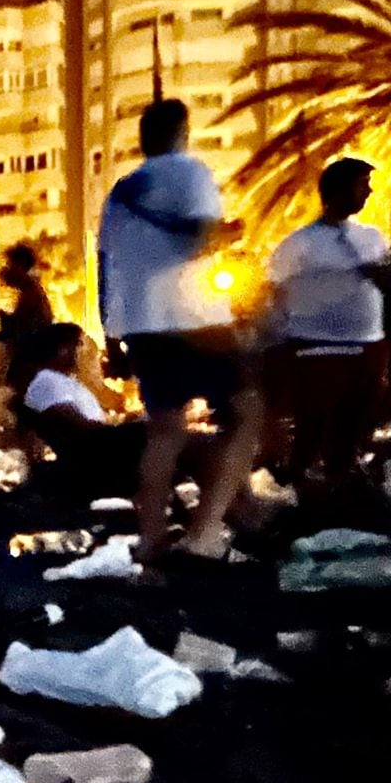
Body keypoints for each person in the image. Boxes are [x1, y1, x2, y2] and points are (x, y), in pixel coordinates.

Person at [98, 98, 257, 562]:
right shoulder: (191, 174)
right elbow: (201, 238)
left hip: (144, 327)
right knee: (248, 412)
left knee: (165, 433)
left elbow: (106, 265)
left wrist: (113, 335)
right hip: (197, 319)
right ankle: (204, 530)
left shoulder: (121, 193)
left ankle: (150, 545)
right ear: (182, 132)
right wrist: (231, 233)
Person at [265, 156, 389, 494]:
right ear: (339, 190)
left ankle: (344, 484)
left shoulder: (373, 238)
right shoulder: (299, 244)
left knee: (356, 421)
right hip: (316, 346)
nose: (368, 192)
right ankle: (302, 487)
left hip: (367, 346)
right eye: (362, 185)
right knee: (314, 423)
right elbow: (273, 291)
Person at [19, 323, 150, 495]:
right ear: (62, 349)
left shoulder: (68, 382)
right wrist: (119, 431)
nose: (83, 351)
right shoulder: (47, 380)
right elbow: (74, 423)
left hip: (99, 442)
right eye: (78, 344)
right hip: (91, 450)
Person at [0, 245, 57, 403]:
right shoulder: (31, 292)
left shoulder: (32, 294)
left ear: (21, 266)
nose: (6, 270)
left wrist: (6, 324)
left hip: (30, 364)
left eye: (10, 265)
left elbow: (23, 330)